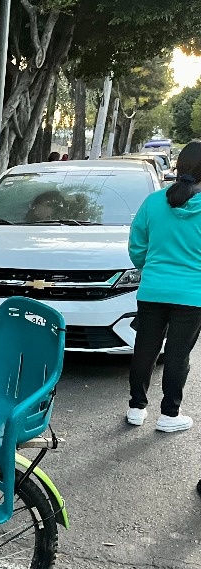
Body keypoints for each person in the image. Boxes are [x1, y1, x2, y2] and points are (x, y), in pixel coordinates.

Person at [126, 139, 201, 435]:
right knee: (177, 354)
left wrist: (151, 267)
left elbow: (137, 247)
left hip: (152, 289)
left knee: (144, 349)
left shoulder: (153, 202)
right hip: (192, 294)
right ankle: (170, 414)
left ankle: (136, 408)